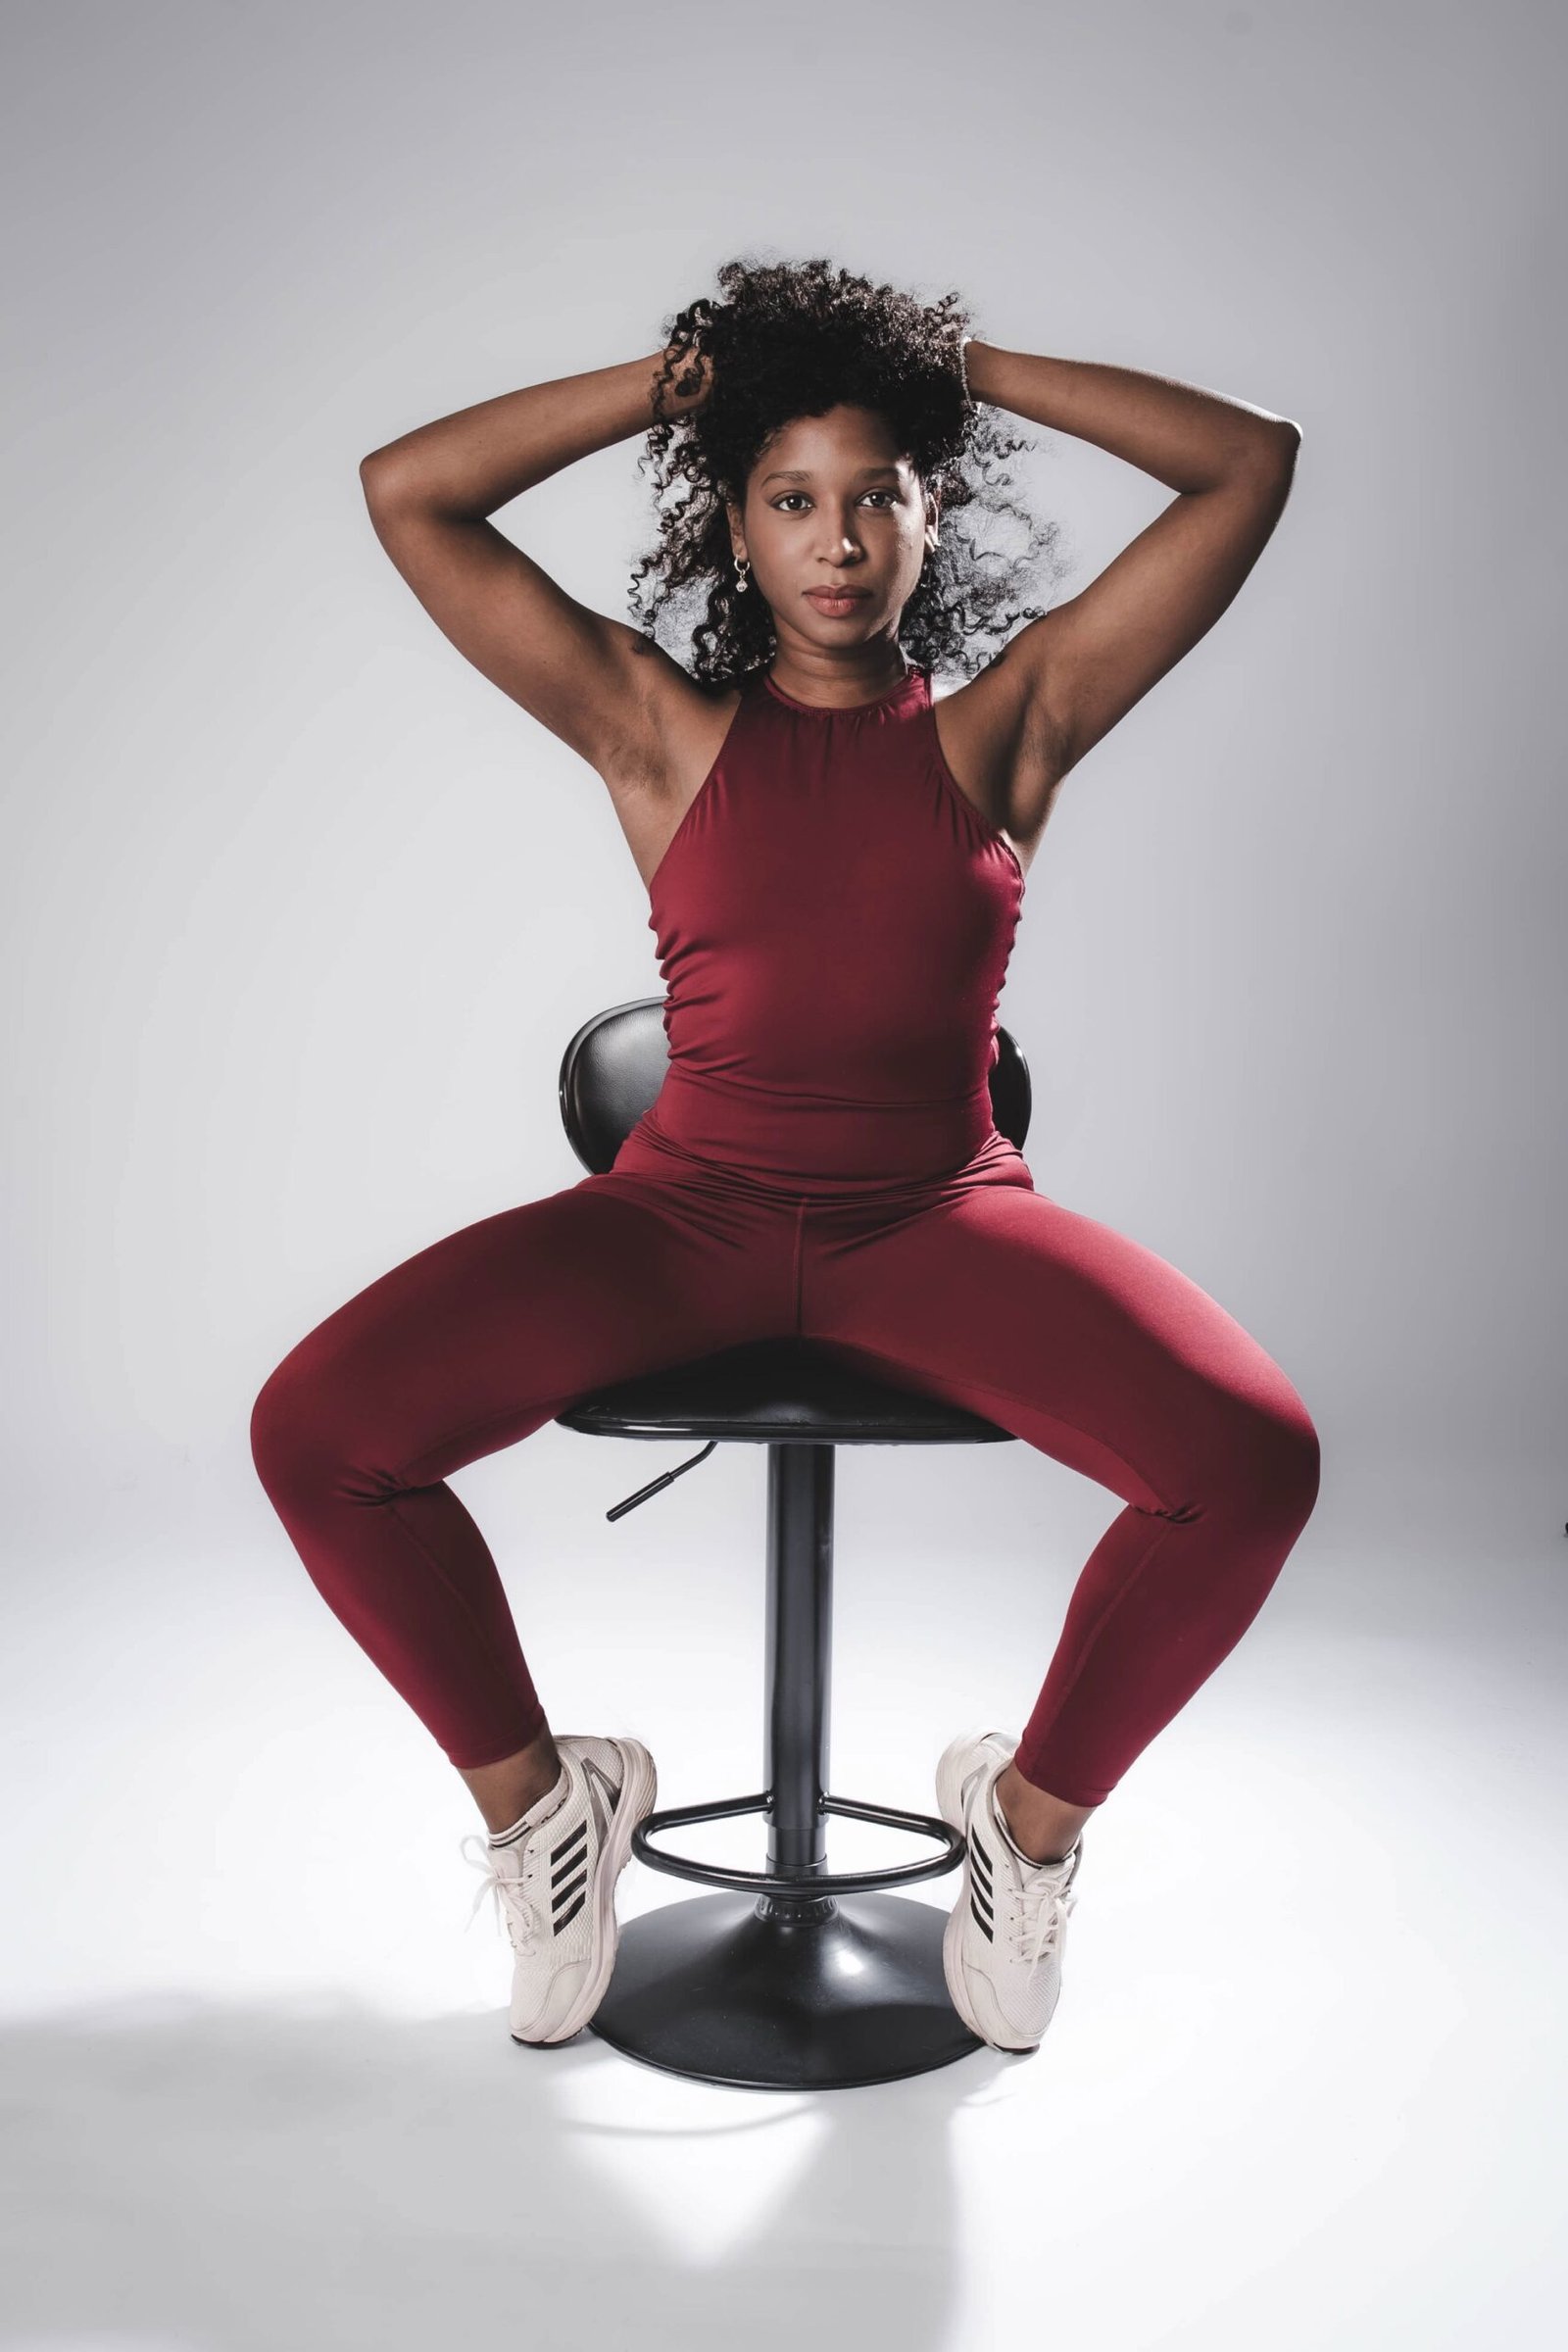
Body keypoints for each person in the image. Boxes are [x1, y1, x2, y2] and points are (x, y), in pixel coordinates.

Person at [250, 257, 1319, 2059]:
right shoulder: (657, 730)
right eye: (791, 498)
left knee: (1253, 1459)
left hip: (939, 1221)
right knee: (316, 1430)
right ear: (736, 523)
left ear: (929, 509)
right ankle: (546, 1811)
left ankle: (1024, 1833)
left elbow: (1251, 464)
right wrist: (679, 383)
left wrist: (961, 367)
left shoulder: (1011, 724)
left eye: (876, 494)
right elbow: (408, 492)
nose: (837, 542)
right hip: (683, 1220)